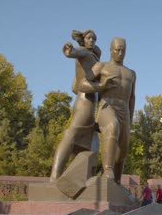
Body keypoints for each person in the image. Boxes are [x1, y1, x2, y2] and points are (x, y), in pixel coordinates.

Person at [79, 37, 136, 184]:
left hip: (124, 110)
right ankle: (108, 170)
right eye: (117, 49)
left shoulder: (131, 73)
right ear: (111, 49)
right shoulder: (101, 66)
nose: (120, 53)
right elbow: (83, 84)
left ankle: (116, 182)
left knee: (123, 149)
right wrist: (101, 87)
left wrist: (130, 120)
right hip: (107, 106)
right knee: (112, 126)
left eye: (123, 50)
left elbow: (132, 98)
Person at [50, 30, 101, 182]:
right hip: (84, 103)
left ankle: (84, 180)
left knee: (94, 145)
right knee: (71, 134)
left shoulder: (93, 58)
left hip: (91, 106)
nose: (92, 40)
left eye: (94, 38)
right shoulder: (84, 52)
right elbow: (73, 52)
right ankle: (55, 176)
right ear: (84, 40)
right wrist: (69, 50)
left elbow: (73, 86)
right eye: (89, 38)